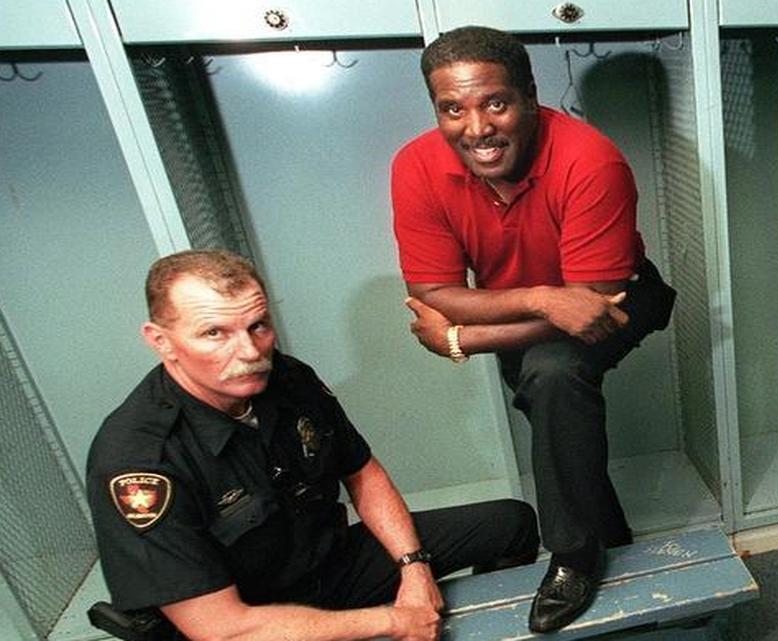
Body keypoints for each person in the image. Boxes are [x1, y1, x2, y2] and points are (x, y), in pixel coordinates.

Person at [86, 249, 539, 641]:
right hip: (255, 618)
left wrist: (413, 567)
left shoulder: (286, 377)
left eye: (258, 326)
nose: (249, 352)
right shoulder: (139, 461)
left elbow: (362, 471)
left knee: (511, 524)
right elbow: (220, 627)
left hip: (329, 563)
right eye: (214, 333)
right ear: (161, 341)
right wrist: (390, 621)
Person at [391, 26, 676, 633]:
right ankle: (614, 544)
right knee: (559, 424)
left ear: (527, 94)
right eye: (453, 109)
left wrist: (460, 338)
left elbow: (590, 309)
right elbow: (436, 293)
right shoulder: (416, 166)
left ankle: (572, 558)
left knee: (551, 376)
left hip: (618, 294)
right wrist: (542, 299)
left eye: (494, 102)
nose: (476, 128)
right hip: (525, 301)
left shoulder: (589, 159)